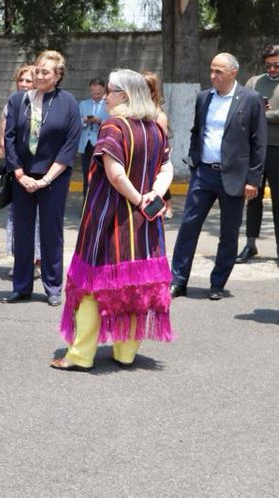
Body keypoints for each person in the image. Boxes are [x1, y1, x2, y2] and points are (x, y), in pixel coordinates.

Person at [50, 69, 175, 371]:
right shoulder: (154, 128)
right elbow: (167, 166)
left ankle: (81, 355)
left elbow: (115, 174)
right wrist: (152, 197)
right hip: (145, 221)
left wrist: (137, 198)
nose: (105, 96)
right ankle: (126, 353)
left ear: (125, 95)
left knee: (93, 284)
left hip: (111, 217)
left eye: (110, 90)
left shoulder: (114, 127)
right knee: (134, 285)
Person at [169, 53, 266, 301]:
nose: (213, 76)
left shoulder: (251, 99)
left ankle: (218, 282)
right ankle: (178, 280)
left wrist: (253, 180)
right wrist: (194, 158)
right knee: (189, 227)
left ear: (233, 72)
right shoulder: (204, 97)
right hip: (203, 174)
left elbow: (258, 143)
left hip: (234, 176)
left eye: (218, 72)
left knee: (229, 232)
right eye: (211, 71)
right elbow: (196, 131)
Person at [3, 50, 82, 306]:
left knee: (51, 233)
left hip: (54, 178)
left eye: (45, 71)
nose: (38, 75)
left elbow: (70, 143)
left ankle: (53, 287)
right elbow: (10, 138)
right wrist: (19, 173)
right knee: (22, 232)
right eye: (37, 70)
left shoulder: (68, 102)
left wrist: (47, 179)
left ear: (57, 76)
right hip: (22, 177)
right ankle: (22, 286)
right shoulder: (18, 100)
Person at [239, 44, 279, 269]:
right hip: (256, 148)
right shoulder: (254, 82)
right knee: (252, 197)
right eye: (268, 65)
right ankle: (250, 243)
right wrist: (259, 114)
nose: (272, 69)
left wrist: (262, 115)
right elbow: (243, 108)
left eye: (276, 65)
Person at [3, 65, 41, 263]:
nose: (24, 84)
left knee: (40, 219)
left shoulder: (45, 104)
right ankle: (22, 260)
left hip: (41, 169)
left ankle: (38, 259)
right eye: (22, 80)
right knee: (20, 218)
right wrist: (17, 168)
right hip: (18, 168)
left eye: (29, 81)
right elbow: (6, 139)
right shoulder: (12, 104)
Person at [142, 70, 173, 219]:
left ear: (152, 92)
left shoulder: (158, 116)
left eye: (144, 89)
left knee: (155, 189)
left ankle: (161, 211)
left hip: (153, 161)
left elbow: (162, 143)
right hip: (138, 161)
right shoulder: (133, 113)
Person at [78, 77, 109, 194]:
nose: (95, 96)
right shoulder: (83, 104)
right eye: (93, 93)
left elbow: (113, 123)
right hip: (86, 144)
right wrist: (84, 120)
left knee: (102, 174)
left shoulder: (108, 104)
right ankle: (86, 205)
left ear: (104, 90)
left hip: (101, 144)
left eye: (99, 93)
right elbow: (76, 123)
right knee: (86, 175)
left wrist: (100, 121)